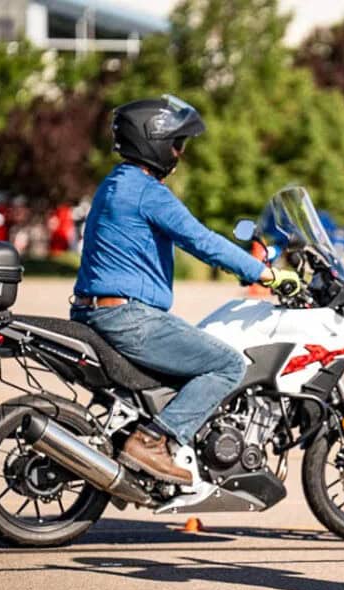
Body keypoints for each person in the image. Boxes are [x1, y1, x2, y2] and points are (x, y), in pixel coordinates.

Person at [71, 95, 301, 485]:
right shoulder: (148, 192)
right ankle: (153, 440)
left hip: (99, 311)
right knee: (228, 364)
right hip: (128, 318)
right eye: (176, 143)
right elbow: (203, 241)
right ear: (154, 142)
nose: (179, 152)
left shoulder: (114, 183)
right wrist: (266, 275)